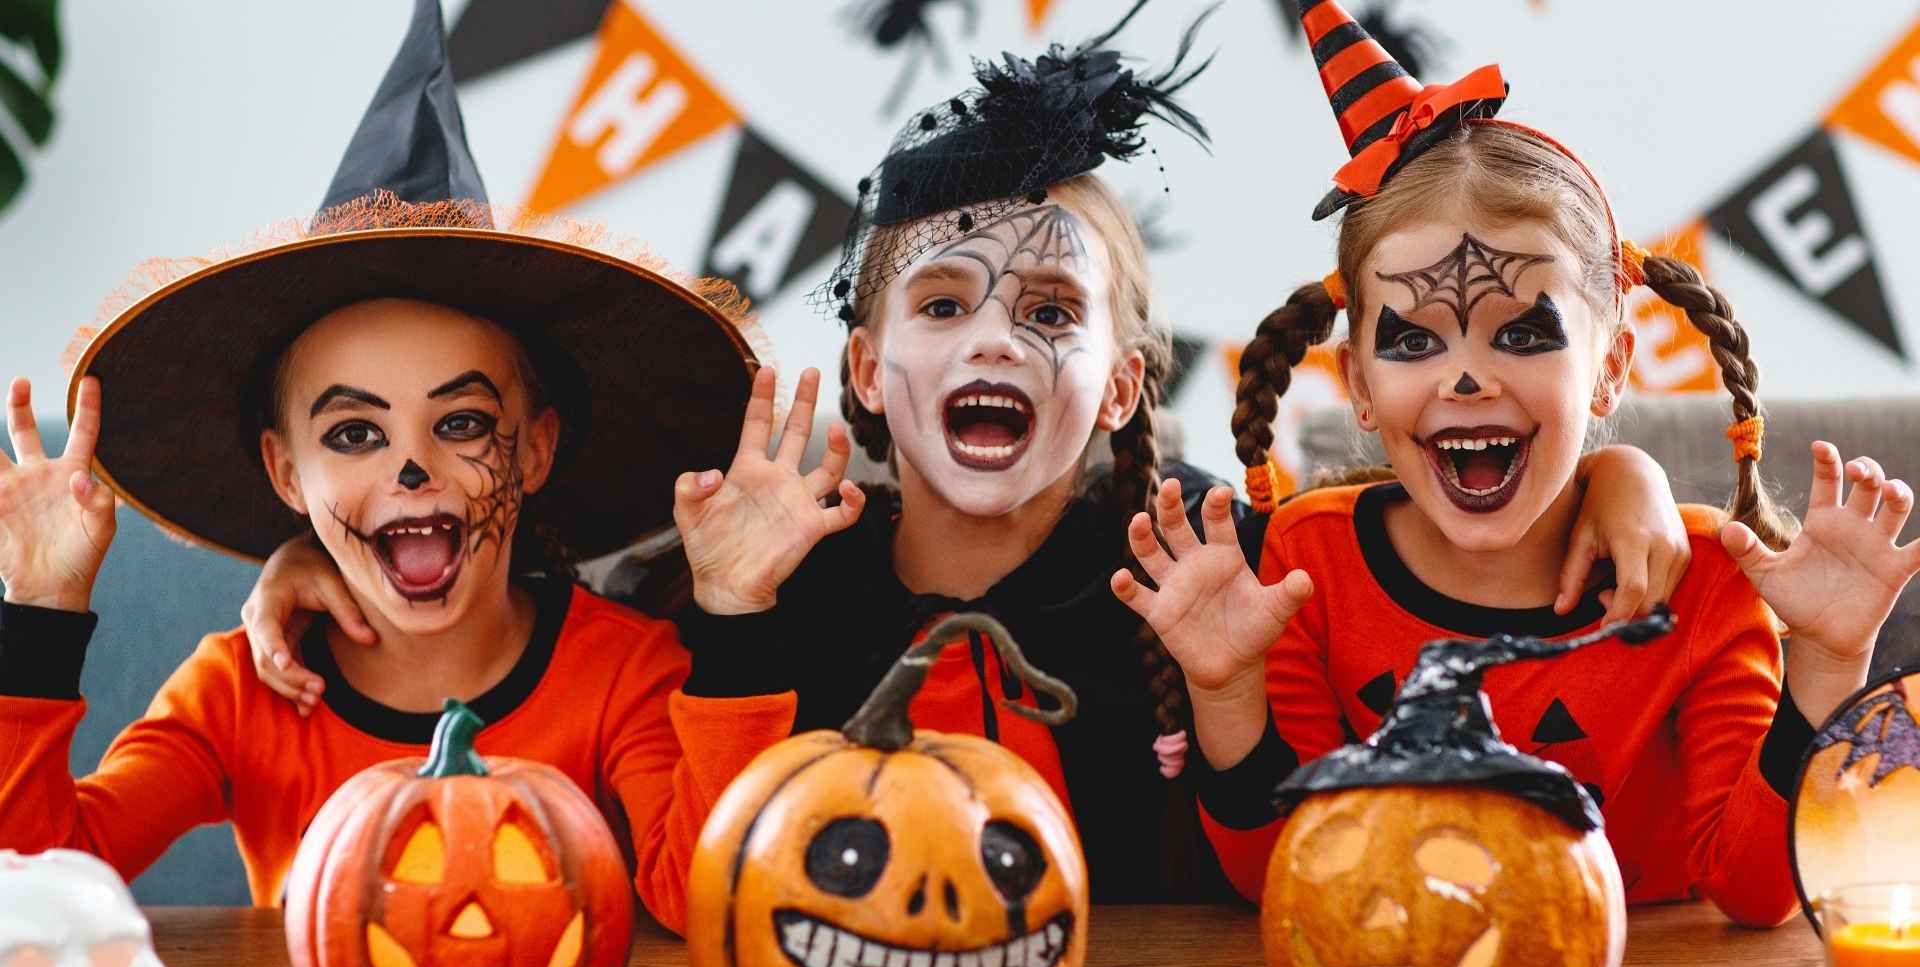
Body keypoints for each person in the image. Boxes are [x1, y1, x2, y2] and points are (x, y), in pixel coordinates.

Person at [242, 2, 1690, 907]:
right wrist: (317, 564)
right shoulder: (769, 563)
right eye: (944, 305)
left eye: (1052, 311)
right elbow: (541, 605)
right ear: (871, 367)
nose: (996, 339)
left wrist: (1622, 479)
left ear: (1123, 381)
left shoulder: (1205, 549)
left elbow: (1430, 529)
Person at [1116, 0, 1920, 926]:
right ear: (1360, 386)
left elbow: (1751, 891)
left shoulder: (1702, 585)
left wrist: (1827, 661)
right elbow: (1277, 881)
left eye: (1525, 331)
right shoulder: (1308, 568)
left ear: (1612, 366)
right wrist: (1226, 695)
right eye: (1414, 340)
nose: (1466, 377)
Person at [0, 0, 780, 935]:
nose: (413, 467)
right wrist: (40, 622)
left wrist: (737, 622)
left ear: (534, 448)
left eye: (459, 420)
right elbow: (34, 888)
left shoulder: (621, 672)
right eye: (354, 434)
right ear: (286, 473)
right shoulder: (246, 689)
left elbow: (715, 903)